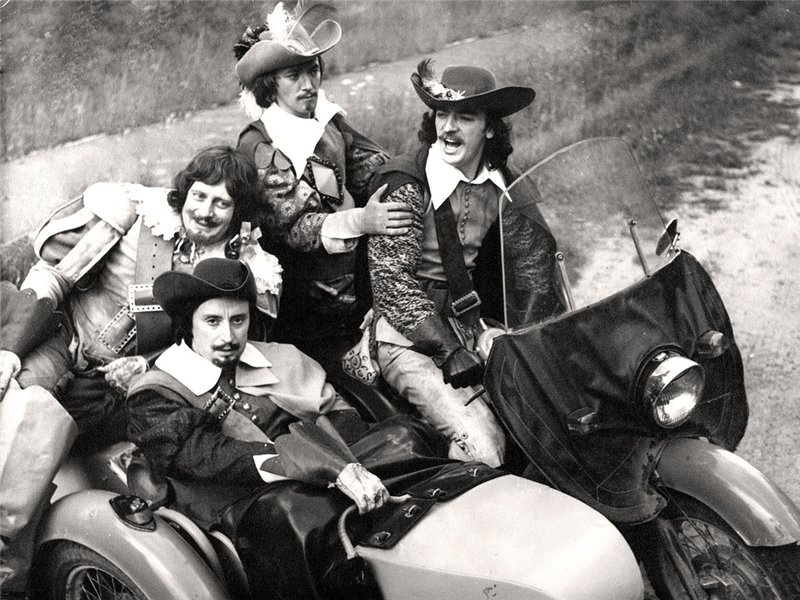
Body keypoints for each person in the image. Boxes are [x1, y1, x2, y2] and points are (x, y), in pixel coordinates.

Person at [0, 147, 280, 596]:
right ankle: (6, 567)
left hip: (134, 384)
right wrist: (12, 350)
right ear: (184, 191)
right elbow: (53, 278)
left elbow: (222, 350)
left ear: (238, 212)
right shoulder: (137, 217)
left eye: (222, 203)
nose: (205, 211)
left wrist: (147, 365)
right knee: (24, 409)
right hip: (64, 341)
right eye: (199, 195)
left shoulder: (241, 267)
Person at [126, 258, 453, 598]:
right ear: (189, 324)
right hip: (234, 500)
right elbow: (206, 458)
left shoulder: (279, 357)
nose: (228, 336)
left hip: (324, 467)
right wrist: (314, 464)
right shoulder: (157, 390)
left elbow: (339, 414)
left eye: (238, 320)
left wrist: (339, 462)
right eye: (212, 321)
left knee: (407, 437)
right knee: (294, 510)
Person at [367, 60, 563, 468]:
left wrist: (522, 337)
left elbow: (535, 267)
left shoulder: (504, 184)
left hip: (472, 326)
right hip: (406, 337)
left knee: (554, 416)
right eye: (442, 114)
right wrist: (448, 349)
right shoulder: (406, 183)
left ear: (490, 128)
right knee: (485, 448)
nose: (449, 128)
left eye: (465, 117)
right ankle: (445, 499)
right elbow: (392, 283)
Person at [232, 2, 413, 383]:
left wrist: (417, 176)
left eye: (312, 70)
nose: (308, 84)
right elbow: (295, 228)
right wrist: (361, 219)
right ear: (269, 84)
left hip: (356, 294)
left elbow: (377, 169)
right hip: (301, 314)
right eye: (293, 75)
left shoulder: (329, 124)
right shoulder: (261, 144)